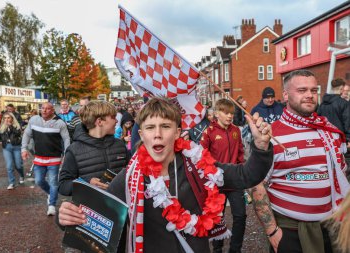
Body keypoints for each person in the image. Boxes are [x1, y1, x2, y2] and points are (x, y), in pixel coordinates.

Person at [58, 97, 274, 252]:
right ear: (142, 135)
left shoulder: (199, 167)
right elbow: (96, 220)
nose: (158, 134)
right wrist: (67, 217)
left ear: (178, 133)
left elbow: (247, 175)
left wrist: (261, 147)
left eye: (166, 126)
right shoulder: (129, 178)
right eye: (150, 127)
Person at [250, 69, 350, 253]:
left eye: (313, 90)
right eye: (302, 90)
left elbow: (341, 177)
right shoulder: (270, 134)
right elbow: (257, 185)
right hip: (290, 232)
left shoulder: (329, 131)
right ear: (286, 95)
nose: (310, 95)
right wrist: (272, 232)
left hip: (329, 227)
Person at [200, 98, 246, 253]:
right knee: (217, 218)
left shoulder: (236, 131)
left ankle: (235, 249)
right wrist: (210, 174)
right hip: (216, 182)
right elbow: (201, 155)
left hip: (235, 181)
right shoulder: (209, 132)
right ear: (217, 113)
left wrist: (242, 172)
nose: (229, 116)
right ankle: (217, 249)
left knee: (240, 215)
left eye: (231, 113)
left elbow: (240, 153)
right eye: (225, 112)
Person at [58, 101, 129, 196]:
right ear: (99, 121)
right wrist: (86, 183)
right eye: (113, 117)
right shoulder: (74, 150)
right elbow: (63, 186)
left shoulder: (119, 144)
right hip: (90, 207)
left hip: (121, 206)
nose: (116, 121)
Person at [21, 102, 70, 216]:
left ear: (52, 110)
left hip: (54, 158)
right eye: (42, 108)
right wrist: (23, 149)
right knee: (39, 181)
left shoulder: (59, 123)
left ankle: (52, 205)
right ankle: (51, 193)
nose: (44, 110)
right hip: (39, 157)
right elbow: (26, 135)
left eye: (47, 109)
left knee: (53, 182)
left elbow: (66, 139)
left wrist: (66, 154)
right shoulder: (33, 120)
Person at [0, 112, 24, 190]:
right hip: (6, 147)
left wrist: (10, 126)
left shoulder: (17, 126)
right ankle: (11, 182)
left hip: (16, 147)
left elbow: (18, 133)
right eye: (5, 118)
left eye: (8, 118)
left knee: (18, 165)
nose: (6, 119)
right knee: (9, 166)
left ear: (12, 118)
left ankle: (22, 175)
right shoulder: (2, 127)